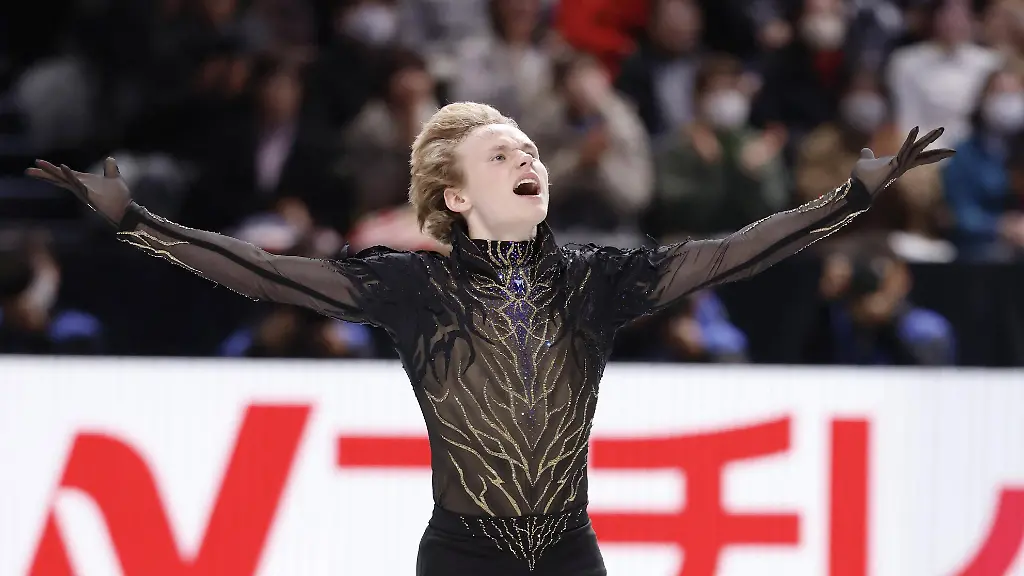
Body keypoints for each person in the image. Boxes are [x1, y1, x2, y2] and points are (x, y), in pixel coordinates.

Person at [26, 102, 952, 576]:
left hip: (569, 551)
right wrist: (137, 223)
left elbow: (730, 257)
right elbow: (267, 273)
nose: (529, 160)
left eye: (531, 150)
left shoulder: (597, 278)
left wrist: (852, 199)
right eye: (502, 153)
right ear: (457, 198)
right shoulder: (412, 285)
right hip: (463, 557)